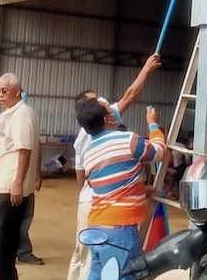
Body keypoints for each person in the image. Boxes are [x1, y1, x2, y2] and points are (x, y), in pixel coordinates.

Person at [67, 53, 160, 280]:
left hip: (97, 212)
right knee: (98, 265)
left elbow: (129, 97)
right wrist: (154, 125)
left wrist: (146, 69)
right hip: (109, 216)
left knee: (94, 267)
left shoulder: (93, 134)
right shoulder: (120, 138)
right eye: (100, 103)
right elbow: (157, 152)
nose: (108, 104)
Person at [78, 98, 165, 279]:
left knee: (97, 275)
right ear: (108, 120)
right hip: (119, 231)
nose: (114, 111)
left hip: (95, 226)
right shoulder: (128, 140)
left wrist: (140, 190)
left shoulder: (89, 152)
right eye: (110, 109)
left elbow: (108, 187)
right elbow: (159, 152)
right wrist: (153, 124)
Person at [0, 73, 40, 280]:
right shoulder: (18, 113)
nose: (0, 95)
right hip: (9, 185)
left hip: (8, 187)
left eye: (4, 91)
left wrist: (17, 183)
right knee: (7, 239)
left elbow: (24, 149)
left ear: (17, 91)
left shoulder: (21, 114)